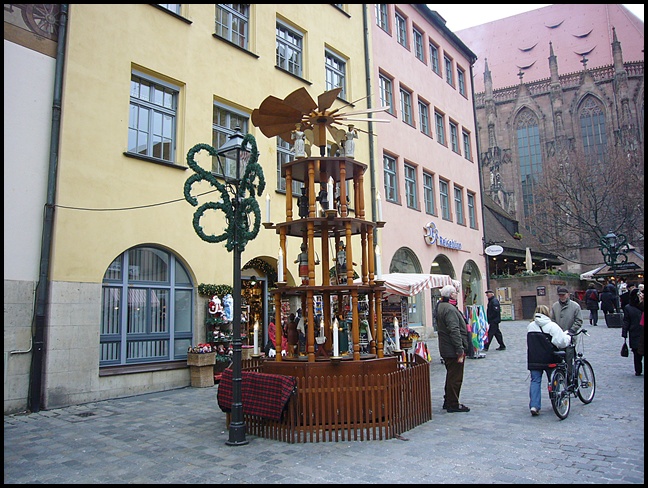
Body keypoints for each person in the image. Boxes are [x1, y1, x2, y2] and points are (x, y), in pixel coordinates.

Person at [527, 304, 572, 416]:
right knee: (553, 380)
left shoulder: (530, 326)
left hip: (534, 358)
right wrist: (568, 337)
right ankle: (557, 401)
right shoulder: (552, 326)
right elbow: (561, 342)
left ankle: (534, 405)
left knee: (535, 381)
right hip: (550, 358)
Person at [436, 284, 470, 413]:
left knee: (451, 376)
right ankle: (453, 403)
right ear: (451, 295)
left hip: (446, 347)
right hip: (451, 349)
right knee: (455, 378)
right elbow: (454, 329)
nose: (457, 294)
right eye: (455, 293)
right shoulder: (449, 309)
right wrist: (460, 349)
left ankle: (448, 400)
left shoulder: (441, 306)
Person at [622, 288, 644, 376]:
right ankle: (638, 370)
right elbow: (626, 320)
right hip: (634, 332)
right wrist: (624, 332)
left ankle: (638, 370)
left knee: (638, 351)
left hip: (639, 331)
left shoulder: (642, 305)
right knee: (636, 352)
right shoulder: (628, 307)